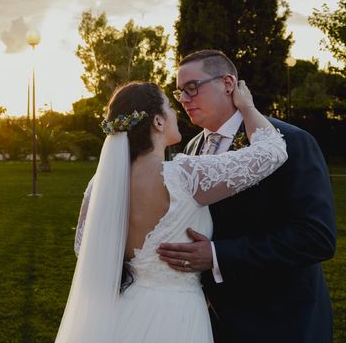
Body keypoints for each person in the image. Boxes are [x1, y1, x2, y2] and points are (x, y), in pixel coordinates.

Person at [56, 79, 287, 343]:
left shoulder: (100, 183)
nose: (175, 112)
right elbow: (272, 151)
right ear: (157, 121)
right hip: (177, 312)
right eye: (169, 105)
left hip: (123, 308)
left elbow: (83, 248)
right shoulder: (183, 176)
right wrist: (247, 107)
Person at [157, 49, 337, 342]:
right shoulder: (190, 149)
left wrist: (218, 255)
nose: (185, 99)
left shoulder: (290, 141)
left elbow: (316, 237)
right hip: (215, 320)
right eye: (179, 92)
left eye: (192, 88)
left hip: (282, 320)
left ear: (228, 84)